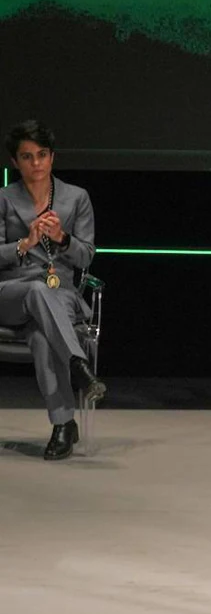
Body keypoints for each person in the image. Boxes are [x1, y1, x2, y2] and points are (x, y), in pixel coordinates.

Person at [0, 120, 106, 461]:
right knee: (33, 291)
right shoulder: (3, 198)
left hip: (59, 296)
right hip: (11, 294)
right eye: (27, 157)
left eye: (42, 155)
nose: (36, 164)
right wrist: (23, 243)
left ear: (52, 157)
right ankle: (77, 362)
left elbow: (87, 255)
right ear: (15, 162)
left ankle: (63, 425)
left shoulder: (76, 198)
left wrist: (62, 238)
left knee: (44, 338)